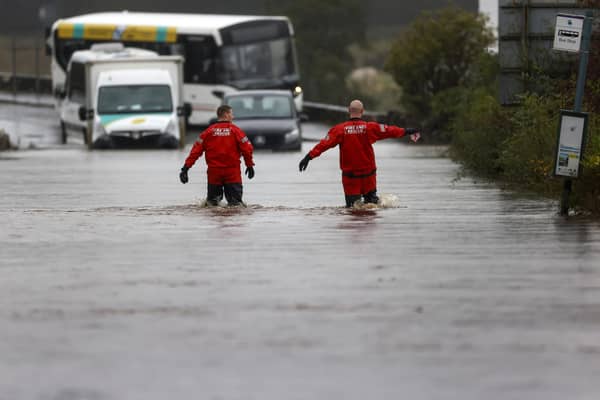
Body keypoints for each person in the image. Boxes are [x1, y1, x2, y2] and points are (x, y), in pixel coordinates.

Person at [298, 99, 420, 207]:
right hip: (369, 176)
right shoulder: (370, 128)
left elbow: (323, 145)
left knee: (352, 210)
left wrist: (308, 157)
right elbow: (389, 130)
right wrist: (406, 131)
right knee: (371, 209)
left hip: (350, 178)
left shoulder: (339, 130)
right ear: (362, 111)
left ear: (349, 111)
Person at [179, 105, 255, 206]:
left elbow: (195, 152)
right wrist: (249, 165)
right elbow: (247, 149)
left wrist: (185, 168)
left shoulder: (208, 132)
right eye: (231, 114)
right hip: (232, 173)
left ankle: (214, 222)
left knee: (212, 205)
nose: (233, 117)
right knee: (236, 206)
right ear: (226, 114)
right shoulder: (236, 131)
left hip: (214, 173)